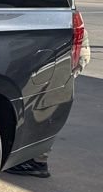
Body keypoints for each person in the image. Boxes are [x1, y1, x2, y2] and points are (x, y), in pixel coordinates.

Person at [7, 22, 91, 179]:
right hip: (65, 47)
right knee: (39, 100)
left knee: (44, 103)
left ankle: (36, 161)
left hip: (62, 51)